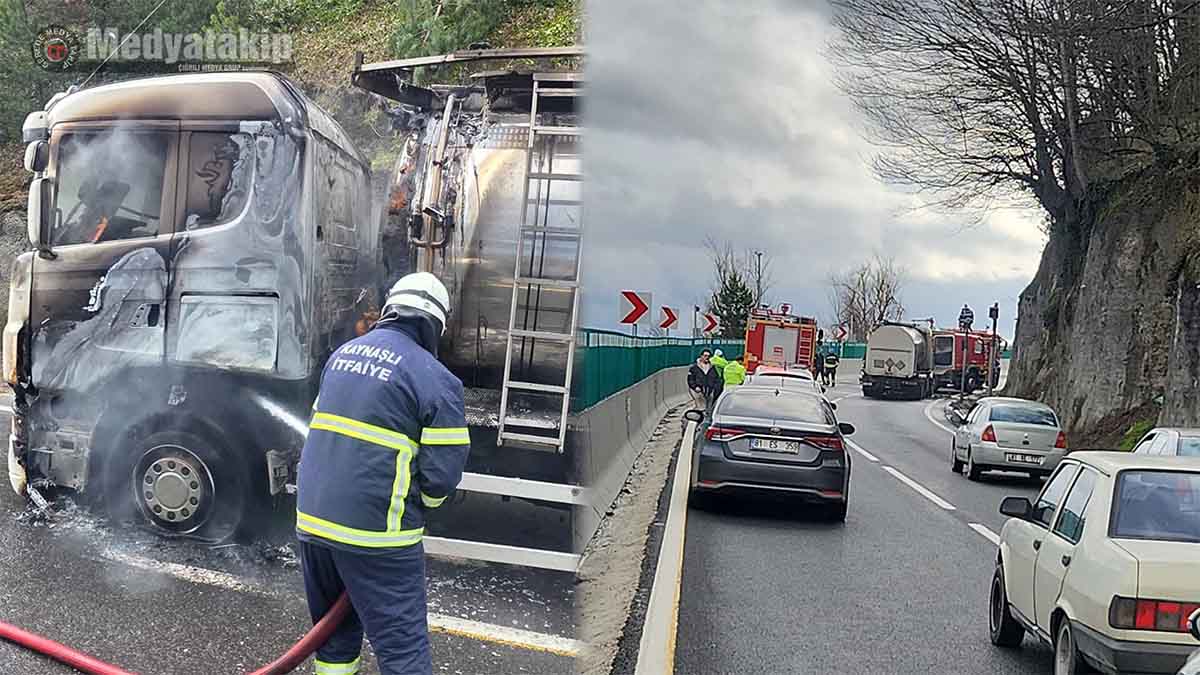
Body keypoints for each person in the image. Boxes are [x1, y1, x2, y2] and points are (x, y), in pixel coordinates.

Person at [295, 271, 471, 675]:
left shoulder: (342, 355)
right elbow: (443, 474)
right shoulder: (436, 379)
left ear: (391, 310)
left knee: (333, 639)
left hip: (313, 523)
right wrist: (426, 504)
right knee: (402, 650)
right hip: (376, 536)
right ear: (435, 325)